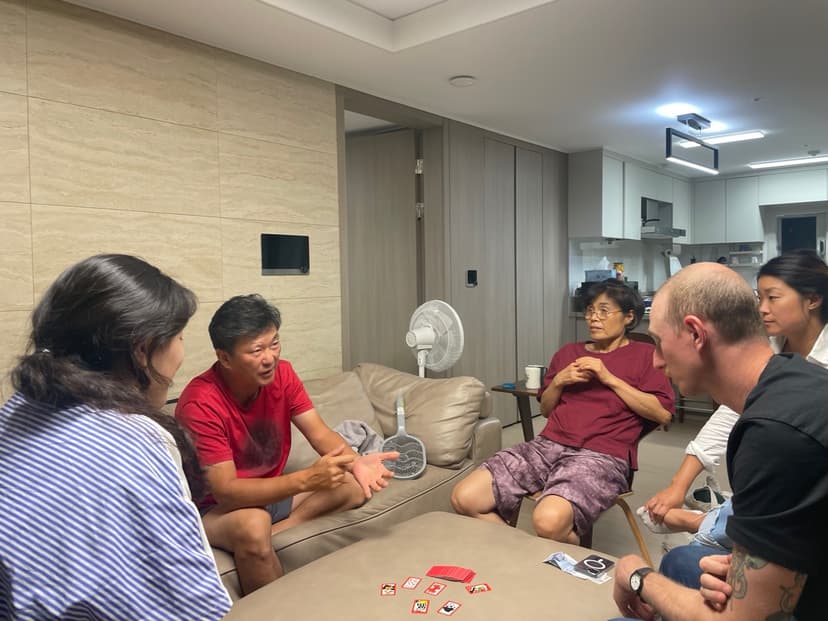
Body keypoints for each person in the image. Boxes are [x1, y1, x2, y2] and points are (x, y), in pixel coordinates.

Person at [0, 254, 231, 619]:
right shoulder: (133, 442)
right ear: (142, 350)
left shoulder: (15, 412)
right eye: (181, 337)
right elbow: (190, 608)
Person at [612, 262, 828, 621]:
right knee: (684, 561)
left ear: (696, 334)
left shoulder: (774, 436)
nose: (656, 361)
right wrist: (749, 568)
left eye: (658, 342)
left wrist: (636, 575)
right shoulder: (791, 376)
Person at [175, 294, 398, 595]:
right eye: (256, 350)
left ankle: (281, 530)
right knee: (253, 524)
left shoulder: (284, 375)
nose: (269, 358)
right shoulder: (201, 403)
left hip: (272, 492)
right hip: (216, 510)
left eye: (274, 343)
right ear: (225, 357)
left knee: (353, 484)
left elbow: (320, 434)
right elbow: (226, 491)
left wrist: (355, 461)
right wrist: (305, 479)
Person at [451, 279, 673, 544]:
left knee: (547, 522)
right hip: (546, 447)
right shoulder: (569, 353)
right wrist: (559, 381)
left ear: (629, 317)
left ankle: (565, 556)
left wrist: (609, 378)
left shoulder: (645, 355)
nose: (594, 318)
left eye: (604, 311)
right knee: (464, 497)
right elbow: (545, 409)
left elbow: (662, 414)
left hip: (602, 455)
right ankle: (522, 552)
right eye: (590, 310)